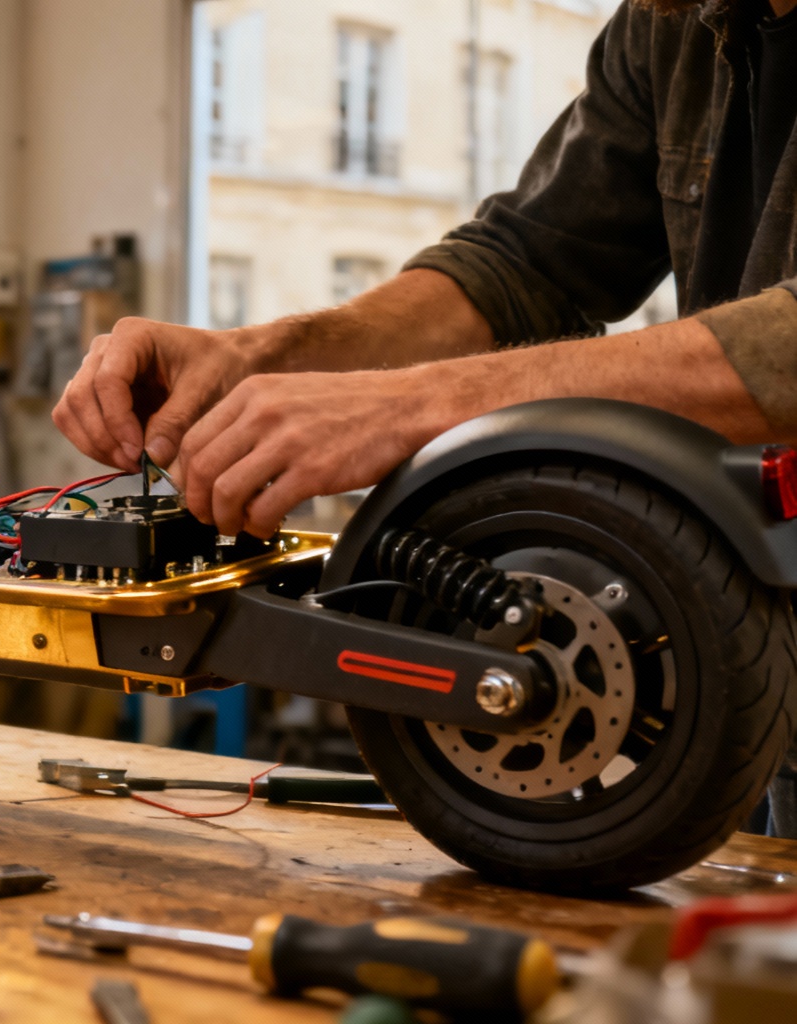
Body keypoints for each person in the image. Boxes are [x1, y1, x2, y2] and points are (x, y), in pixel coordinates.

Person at [53, 0, 797, 831]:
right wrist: (256, 357)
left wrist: (414, 406)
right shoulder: (676, 21)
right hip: (761, 688)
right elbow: (522, 263)